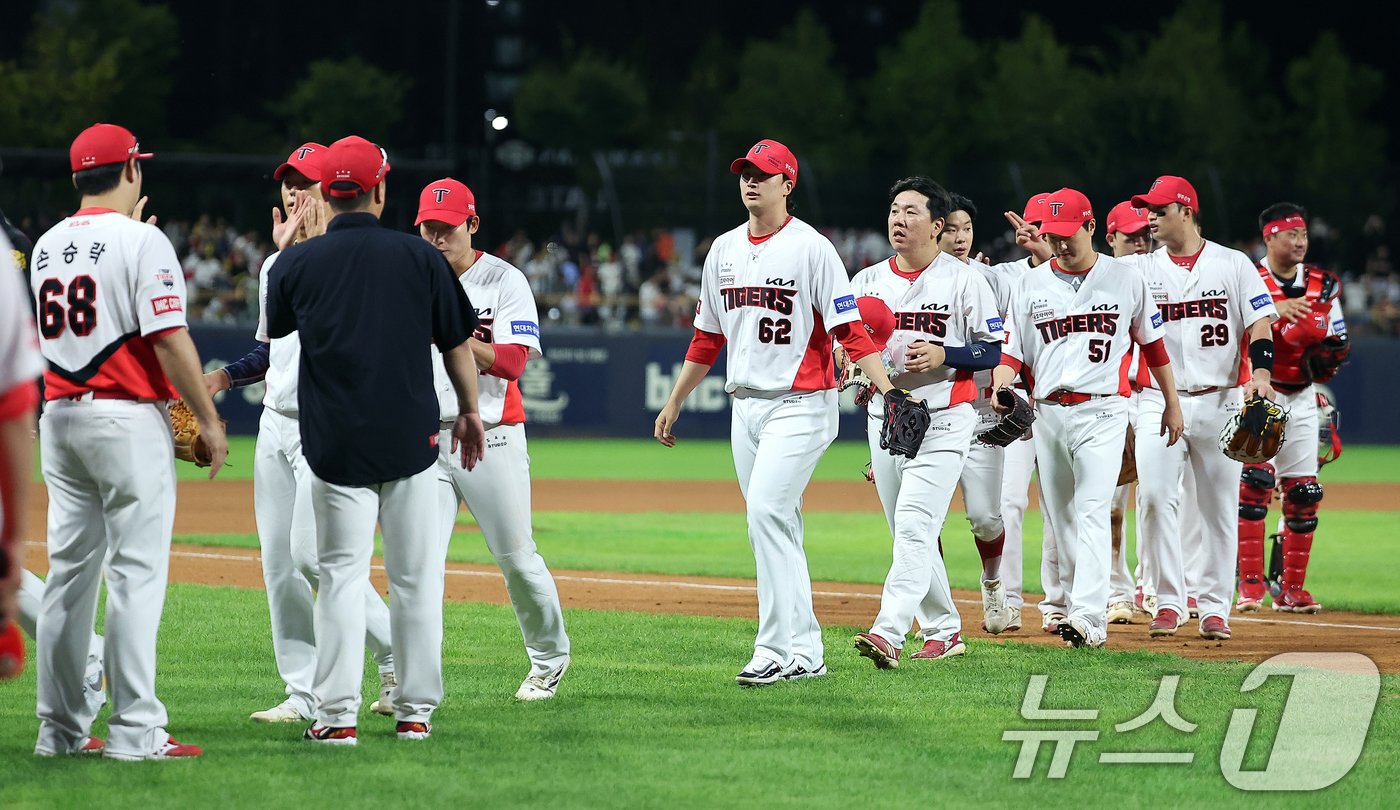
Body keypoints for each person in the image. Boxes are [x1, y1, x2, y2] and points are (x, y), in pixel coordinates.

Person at [653, 138, 903, 685]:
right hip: (744, 407)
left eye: (763, 174)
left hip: (801, 403)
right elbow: (706, 337)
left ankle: (772, 649)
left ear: (787, 184)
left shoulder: (812, 248)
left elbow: (848, 329)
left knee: (765, 512)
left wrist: (887, 390)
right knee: (776, 525)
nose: (750, 180)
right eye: (745, 172)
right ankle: (808, 653)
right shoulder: (722, 249)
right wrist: (675, 400)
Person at [266, 135, 486, 745]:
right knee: (415, 580)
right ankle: (415, 713)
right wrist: (470, 410)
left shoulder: (296, 264)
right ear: (380, 189)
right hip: (410, 440)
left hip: (334, 443)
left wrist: (286, 255)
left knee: (339, 577)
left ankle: (337, 719)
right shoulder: (421, 258)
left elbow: (275, 330)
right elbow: (457, 343)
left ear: (327, 194)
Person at [31, 123, 228, 760]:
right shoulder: (143, 241)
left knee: (68, 580)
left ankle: (59, 731)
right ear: (132, 169)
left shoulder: (46, 243)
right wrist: (209, 419)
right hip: (124, 419)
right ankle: (135, 731)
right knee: (134, 577)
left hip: (60, 421)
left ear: (76, 177)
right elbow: (168, 339)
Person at [204, 143, 398, 724]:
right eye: (287, 183)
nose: (293, 194)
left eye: (305, 183)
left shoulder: (351, 261)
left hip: (325, 424)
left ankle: (397, 654)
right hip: (275, 426)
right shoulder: (275, 266)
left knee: (312, 555)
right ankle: (302, 692)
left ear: (332, 191)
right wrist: (224, 377)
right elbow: (270, 351)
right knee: (280, 567)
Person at [994, 188, 1183, 648]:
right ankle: (1079, 606)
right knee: (1061, 518)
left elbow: (1154, 346)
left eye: (1067, 234)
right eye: (1051, 236)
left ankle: (1088, 618)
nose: (1060, 243)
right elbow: (1011, 353)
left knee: (1093, 508)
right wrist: (1001, 385)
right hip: (1047, 413)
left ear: (1091, 226)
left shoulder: (1125, 279)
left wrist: (1172, 402)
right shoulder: (1029, 285)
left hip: (1104, 409)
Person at [416, 177, 571, 699]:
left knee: (517, 559)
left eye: (447, 227)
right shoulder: (411, 279)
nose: (437, 237)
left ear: (472, 224)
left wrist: (454, 335)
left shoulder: (504, 280)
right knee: (418, 566)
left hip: (493, 435)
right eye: (428, 228)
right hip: (425, 440)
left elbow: (512, 362)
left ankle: (548, 659)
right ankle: (413, 679)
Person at [848, 178, 1003, 667]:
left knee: (915, 524)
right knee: (907, 531)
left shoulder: (964, 280)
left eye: (911, 211)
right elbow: (848, 343)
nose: (899, 219)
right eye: (895, 210)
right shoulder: (866, 281)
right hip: (886, 417)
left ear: (937, 226)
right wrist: (851, 367)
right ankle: (944, 630)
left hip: (944, 416)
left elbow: (991, 351)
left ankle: (888, 631)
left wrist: (945, 353)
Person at [1123, 176, 1278, 641]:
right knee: (1154, 498)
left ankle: (1213, 607)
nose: (1150, 218)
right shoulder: (1138, 269)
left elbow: (1261, 323)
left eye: (1159, 210)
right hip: (1157, 399)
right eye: (1148, 210)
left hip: (1221, 399)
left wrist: (1262, 374)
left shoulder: (1232, 264)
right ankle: (1170, 601)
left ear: (1186, 212)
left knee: (1218, 509)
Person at [1237, 202, 1347, 613]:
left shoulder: (1323, 285)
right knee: (1255, 485)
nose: (1300, 242)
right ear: (1269, 237)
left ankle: (1291, 589)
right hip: (1257, 392)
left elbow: (1338, 341)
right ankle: (1249, 585)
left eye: (1303, 234)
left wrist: (1329, 354)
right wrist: (1274, 313)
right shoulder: (1247, 278)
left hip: (1301, 394)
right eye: (1291, 235)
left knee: (1303, 492)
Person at [933, 193, 1029, 634]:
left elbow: (1013, 338)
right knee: (923, 516)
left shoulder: (992, 279)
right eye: (951, 228)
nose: (960, 237)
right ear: (935, 229)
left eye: (967, 229)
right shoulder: (917, 281)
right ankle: (931, 605)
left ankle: (993, 585)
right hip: (930, 414)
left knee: (987, 517)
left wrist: (1013, 387)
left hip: (981, 410)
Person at [998, 192, 1057, 633]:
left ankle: (1059, 604)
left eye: (1045, 227)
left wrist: (1046, 256)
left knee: (1059, 508)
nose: (1037, 232)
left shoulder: (1082, 277)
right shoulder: (1004, 276)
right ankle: (1008, 601)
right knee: (1009, 503)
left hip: (1059, 404)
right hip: (1016, 403)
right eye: (1032, 226)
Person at [1101, 201, 1152, 624]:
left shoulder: (1161, 278)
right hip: (1114, 398)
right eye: (1130, 236)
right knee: (1110, 503)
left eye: (1145, 236)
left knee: (1159, 499)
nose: (1139, 243)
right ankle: (1116, 591)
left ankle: (1155, 588)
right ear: (1111, 238)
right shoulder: (1099, 281)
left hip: (1153, 398)